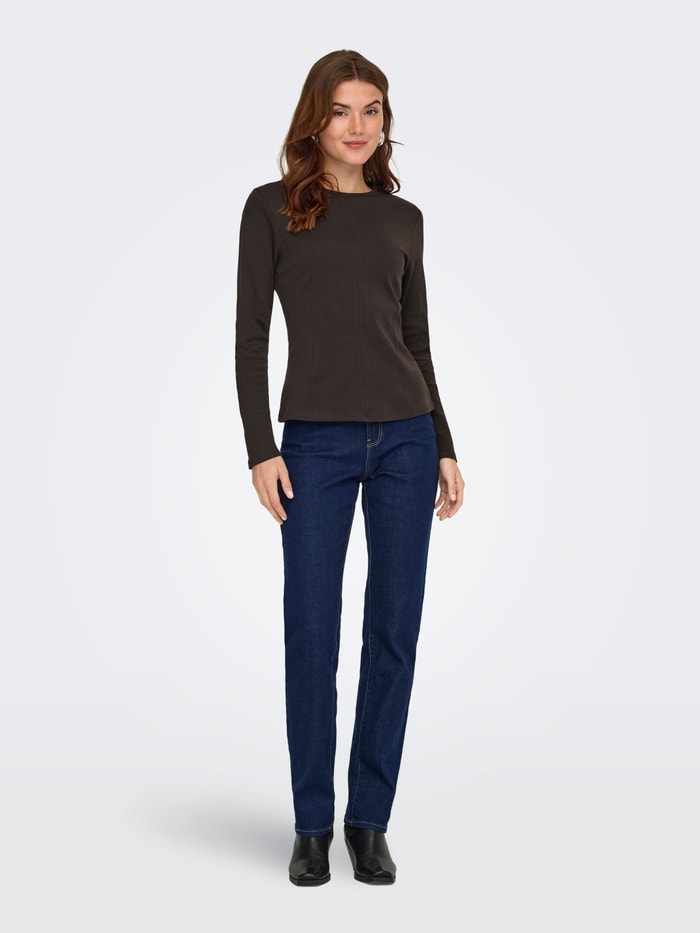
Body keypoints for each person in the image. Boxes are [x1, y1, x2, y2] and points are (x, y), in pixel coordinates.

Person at [234, 49, 465, 886]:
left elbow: (416, 341)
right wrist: (260, 447)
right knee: (311, 631)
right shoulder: (271, 209)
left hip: (406, 438)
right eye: (341, 110)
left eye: (372, 110)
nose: (358, 126)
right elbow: (251, 337)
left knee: (393, 630)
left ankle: (369, 820)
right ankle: (311, 825)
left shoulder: (405, 219)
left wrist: (444, 441)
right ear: (315, 118)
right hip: (313, 447)